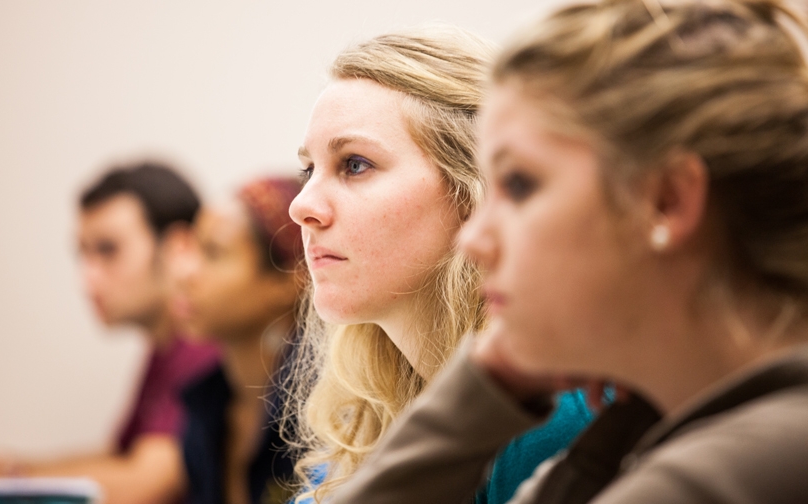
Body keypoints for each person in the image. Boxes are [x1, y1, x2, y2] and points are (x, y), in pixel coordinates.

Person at [324, 1, 808, 503]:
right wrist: (499, 375)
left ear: (666, 201)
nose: (473, 240)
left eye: (519, 184)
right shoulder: (653, 434)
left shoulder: (716, 477)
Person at [285, 26, 594, 504]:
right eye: (309, 170)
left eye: (355, 164)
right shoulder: (368, 416)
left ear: (475, 193)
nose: (302, 205)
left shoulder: (547, 416)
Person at [0, 162, 220, 504]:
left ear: (177, 248)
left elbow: (147, 483)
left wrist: (6, 478)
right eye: (82, 254)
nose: (88, 279)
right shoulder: (165, 348)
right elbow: (122, 459)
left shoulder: (203, 344)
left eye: (108, 250)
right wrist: (0, 467)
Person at [175, 176, 303, 504]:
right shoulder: (204, 409)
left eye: (213, 253)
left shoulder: (324, 416)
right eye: (192, 249)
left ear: (287, 282)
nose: (184, 272)